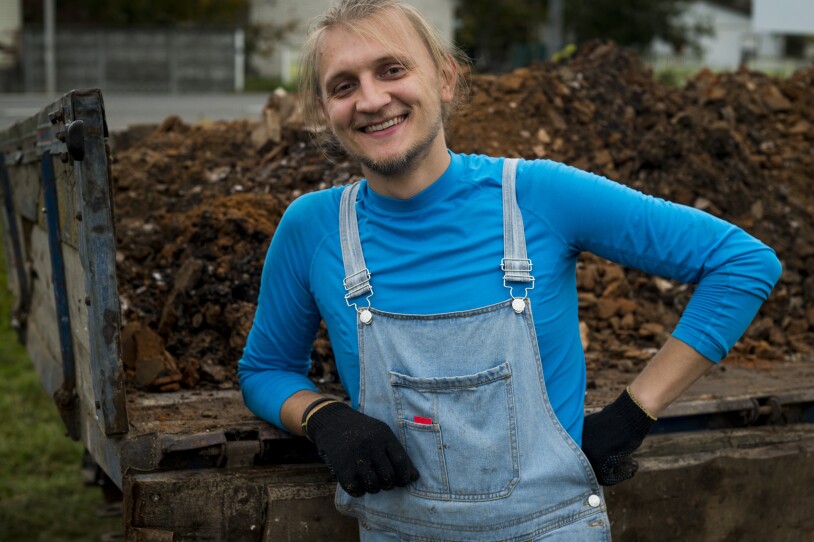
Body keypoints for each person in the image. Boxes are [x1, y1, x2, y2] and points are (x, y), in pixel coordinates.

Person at [238, 1, 782, 539]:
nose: (372, 99)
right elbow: (266, 369)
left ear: (446, 78)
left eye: (392, 70)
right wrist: (321, 416)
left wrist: (633, 414)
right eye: (343, 86)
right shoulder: (312, 229)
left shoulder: (539, 197)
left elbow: (740, 263)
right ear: (326, 110)